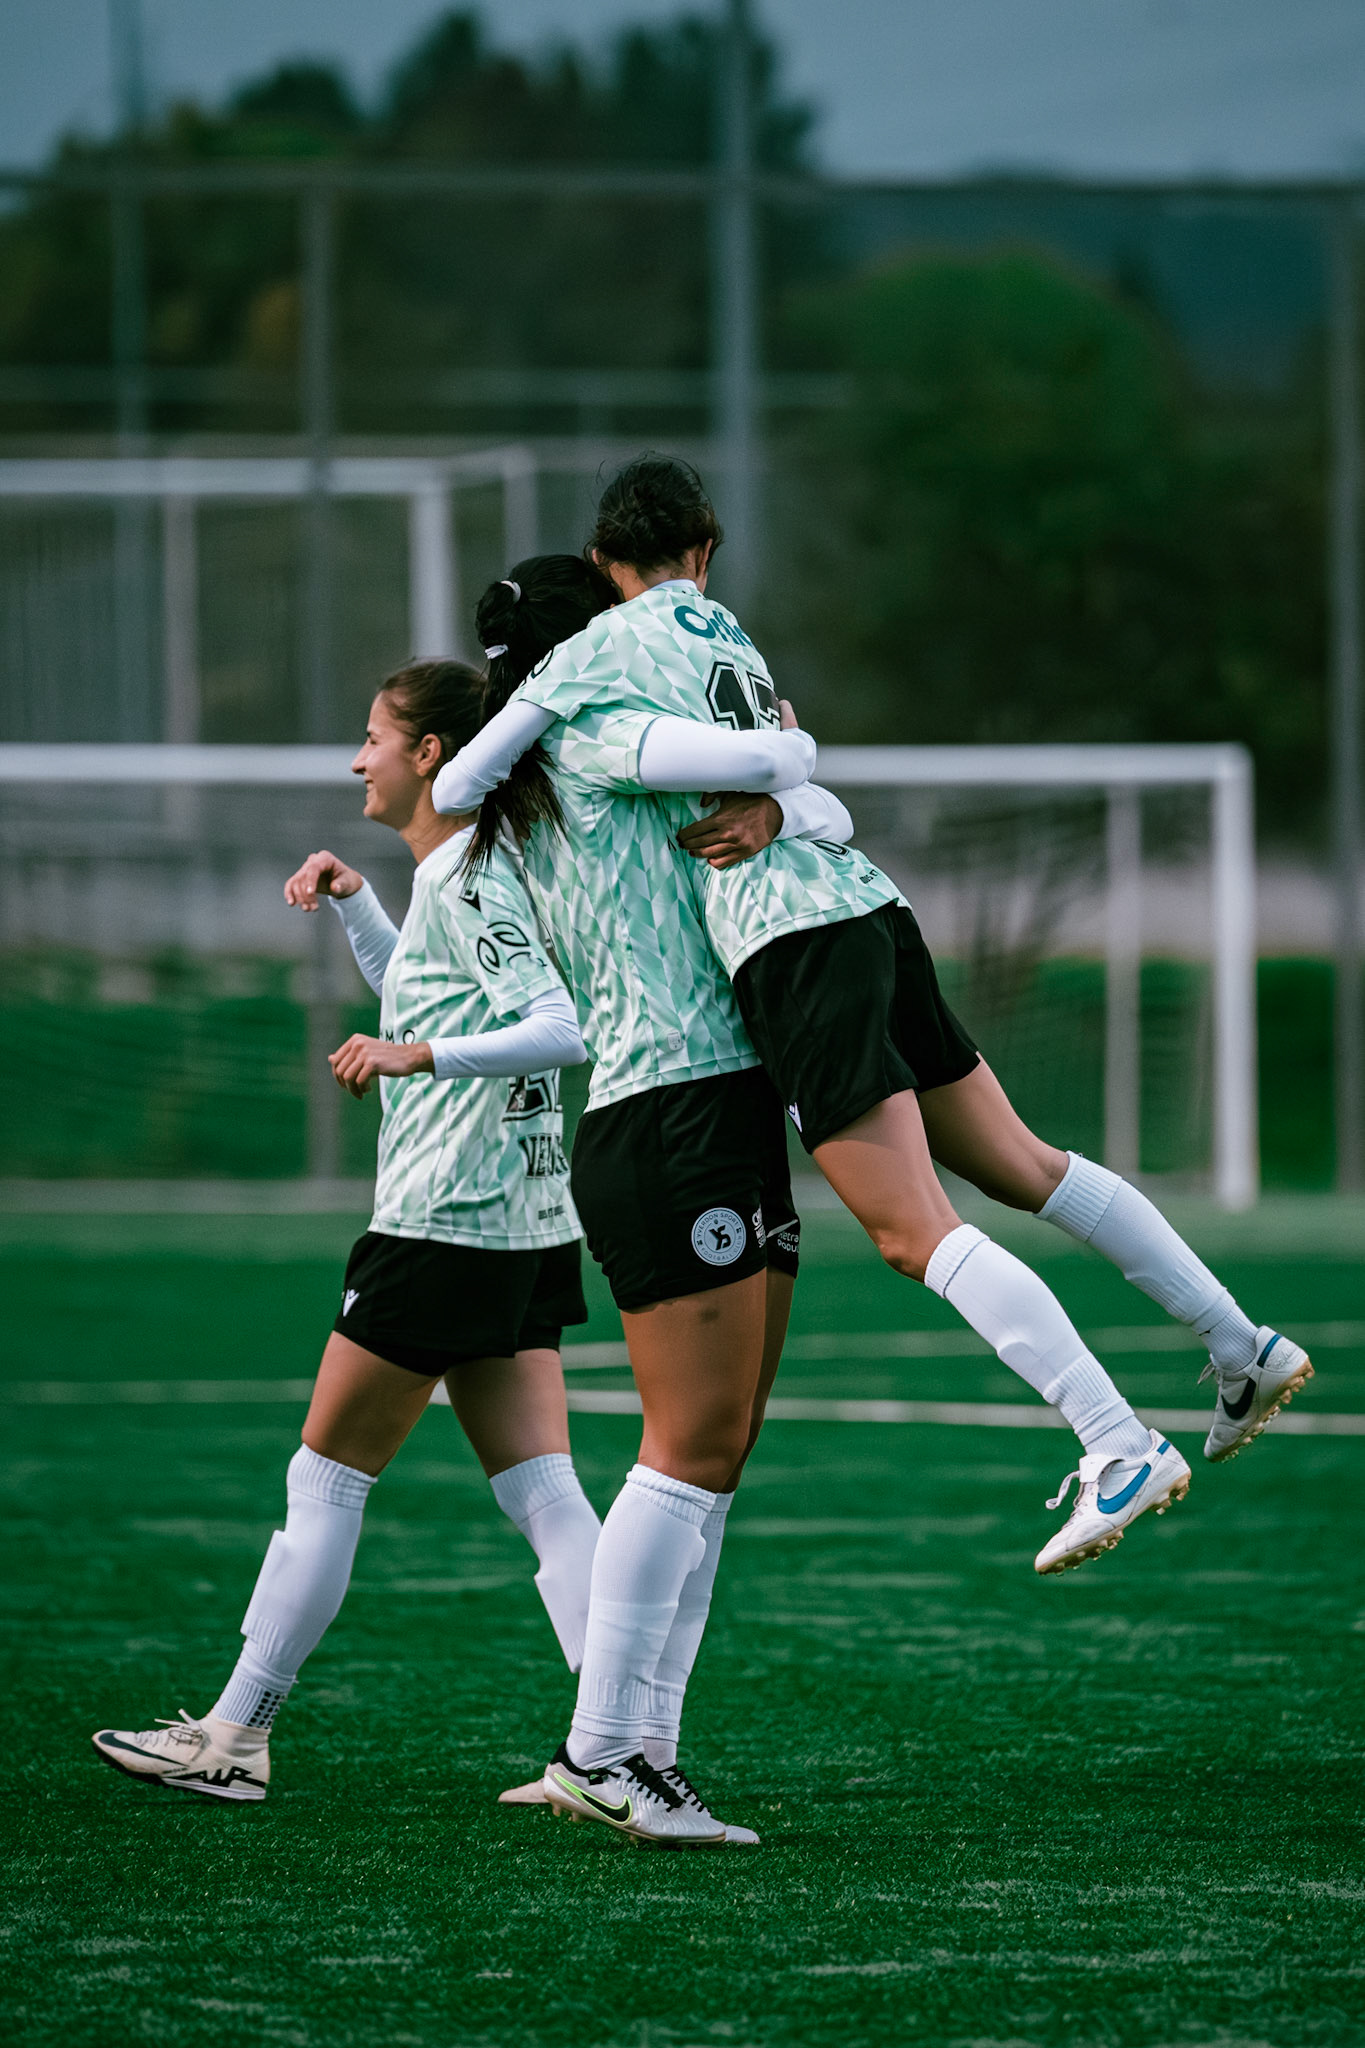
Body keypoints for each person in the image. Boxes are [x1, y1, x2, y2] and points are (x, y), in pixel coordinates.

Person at [433, 458, 1314, 1581]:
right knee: (1023, 1161)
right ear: (704, 544)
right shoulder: (727, 640)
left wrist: (746, 764)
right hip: (864, 899)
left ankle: (1115, 1441)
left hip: (790, 947)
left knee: (912, 1227)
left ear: (613, 568)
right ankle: (1239, 1343)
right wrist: (784, 782)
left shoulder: (600, 692)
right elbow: (814, 793)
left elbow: (476, 783)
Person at [91, 660, 602, 1803]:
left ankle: (235, 1734)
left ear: (431, 754)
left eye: (373, 736)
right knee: (546, 1492)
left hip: (442, 1225)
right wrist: (357, 905)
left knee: (323, 1478)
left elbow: (555, 1028)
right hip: (519, 1224)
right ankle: (619, 1738)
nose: (356, 758)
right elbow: (429, 993)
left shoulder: (471, 875)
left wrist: (410, 1058)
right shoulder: (466, 870)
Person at [447, 555, 849, 1846]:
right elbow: (800, 781)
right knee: (687, 1452)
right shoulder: (602, 733)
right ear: (596, 644)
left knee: (712, 1455)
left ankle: (643, 1753)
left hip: (697, 1109)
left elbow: (798, 811)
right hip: (672, 1108)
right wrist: (779, 752)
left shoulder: (537, 762)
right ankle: (602, 1750)